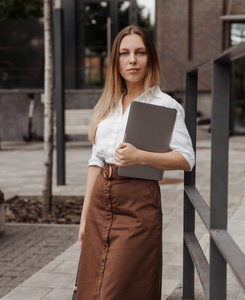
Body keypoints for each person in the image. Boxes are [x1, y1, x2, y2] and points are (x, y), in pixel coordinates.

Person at [76, 25, 195, 300]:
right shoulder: (107, 105)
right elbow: (95, 161)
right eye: (125, 53)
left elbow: (186, 158)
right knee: (91, 287)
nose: (132, 60)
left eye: (140, 53)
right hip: (99, 201)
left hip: (138, 201)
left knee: (119, 288)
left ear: (150, 59)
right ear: (116, 62)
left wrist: (141, 156)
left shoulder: (165, 105)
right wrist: (83, 219)